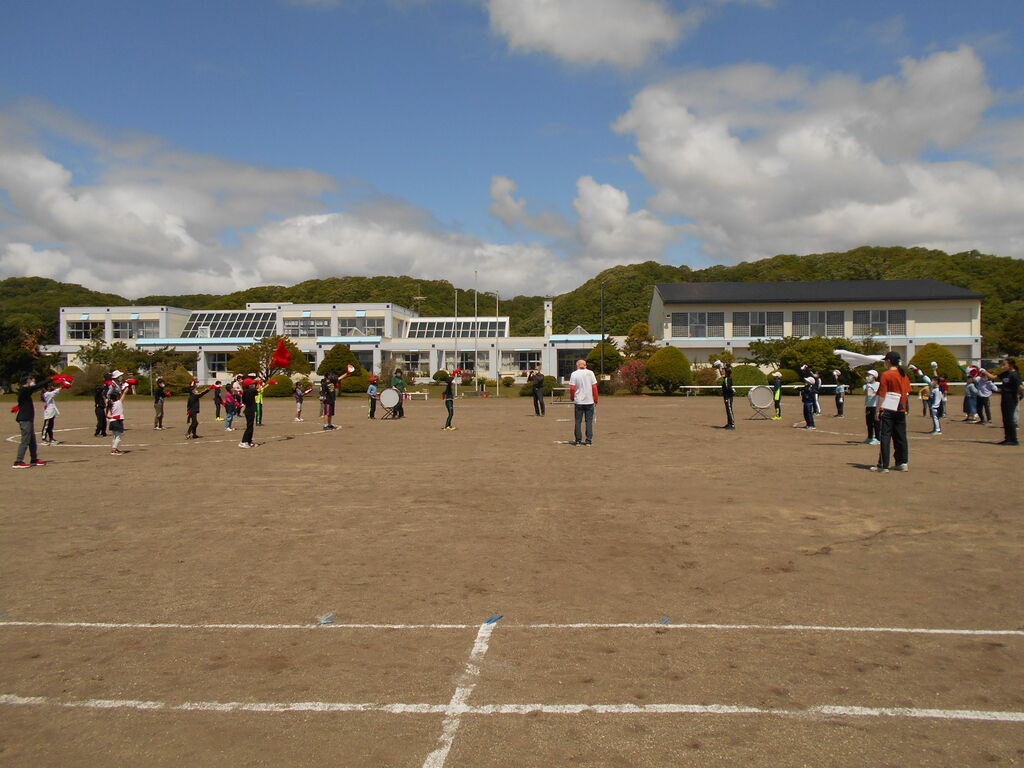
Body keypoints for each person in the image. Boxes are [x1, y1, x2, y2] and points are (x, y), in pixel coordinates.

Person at [871, 351, 912, 473]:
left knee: (885, 436)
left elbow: (882, 394)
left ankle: (883, 465)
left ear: (888, 361)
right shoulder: (903, 374)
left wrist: (878, 410)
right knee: (900, 436)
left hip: (888, 408)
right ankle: (902, 462)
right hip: (900, 408)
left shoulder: (886, 375)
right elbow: (907, 393)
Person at [13, 373, 51, 468]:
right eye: (31, 379)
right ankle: (18, 461)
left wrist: (18, 406)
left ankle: (34, 459)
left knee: (32, 440)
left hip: (28, 418)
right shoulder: (25, 389)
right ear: (27, 381)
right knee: (25, 440)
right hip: (25, 419)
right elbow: (37, 386)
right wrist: (52, 378)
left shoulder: (26, 390)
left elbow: (22, 401)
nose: (33, 381)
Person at [981, 358, 1021, 446]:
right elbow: (994, 377)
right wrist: (984, 371)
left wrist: (1019, 395)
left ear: (1010, 365)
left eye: (1005, 364)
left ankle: (1013, 439)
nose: (1003, 366)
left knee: (1009, 419)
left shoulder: (1014, 374)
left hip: (1011, 397)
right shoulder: (1005, 374)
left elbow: (1019, 387)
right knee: (1005, 418)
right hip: (1004, 396)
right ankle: (1007, 438)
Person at [568, 359, 598, 446]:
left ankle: (578, 440)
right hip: (589, 401)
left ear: (577, 365)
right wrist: (596, 398)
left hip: (579, 401)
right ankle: (588, 440)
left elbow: (572, 388)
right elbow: (594, 387)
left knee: (578, 421)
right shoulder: (590, 373)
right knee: (589, 421)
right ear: (585, 365)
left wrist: (572, 397)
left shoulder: (574, 374)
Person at [909, 364, 942, 434]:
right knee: (934, 418)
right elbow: (924, 377)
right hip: (934, 406)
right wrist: (916, 369)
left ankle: (937, 429)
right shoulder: (933, 386)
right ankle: (935, 428)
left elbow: (937, 399)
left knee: (936, 418)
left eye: (933, 380)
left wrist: (934, 406)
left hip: (936, 406)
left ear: (936, 382)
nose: (932, 381)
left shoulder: (937, 388)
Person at [106, 370, 128, 456]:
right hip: (117, 421)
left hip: (112, 421)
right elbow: (124, 393)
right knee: (118, 436)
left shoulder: (110, 404)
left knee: (115, 436)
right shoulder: (118, 402)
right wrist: (127, 386)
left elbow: (108, 415)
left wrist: (112, 416)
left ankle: (115, 448)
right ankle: (114, 449)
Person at [239, 377, 258, 448]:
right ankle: (243, 442)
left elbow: (256, 391)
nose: (253, 385)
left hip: (249, 410)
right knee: (249, 427)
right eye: (251, 384)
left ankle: (249, 441)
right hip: (249, 411)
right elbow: (256, 392)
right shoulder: (249, 391)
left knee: (251, 427)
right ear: (248, 385)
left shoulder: (247, 391)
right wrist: (259, 386)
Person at [40, 380, 61, 445]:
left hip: (52, 412)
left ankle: (51, 438)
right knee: (46, 426)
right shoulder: (47, 394)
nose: (52, 387)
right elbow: (54, 392)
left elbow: (56, 392)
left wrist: (61, 387)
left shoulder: (49, 394)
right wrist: (62, 387)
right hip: (49, 412)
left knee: (50, 426)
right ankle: (43, 439)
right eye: (50, 386)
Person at [863, 369, 880, 445]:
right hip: (869, 406)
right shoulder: (866, 385)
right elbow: (866, 393)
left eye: (869, 375)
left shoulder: (879, 384)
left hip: (876, 406)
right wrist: (867, 387)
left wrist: (873, 390)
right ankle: (870, 437)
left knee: (876, 422)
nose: (867, 377)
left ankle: (877, 438)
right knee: (869, 423)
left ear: (874, 377)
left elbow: (877, 394)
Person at [719, 363, 735, 429]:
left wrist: (731, 390)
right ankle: (729, 423)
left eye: (724, 370)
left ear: (727, 371)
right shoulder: (727, 378)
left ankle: (732, 424)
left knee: (729, 409)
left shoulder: (727, 379)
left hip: (728, 396)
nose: (722, 371)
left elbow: (728, 387)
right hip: (727, 396)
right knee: (728, 410)